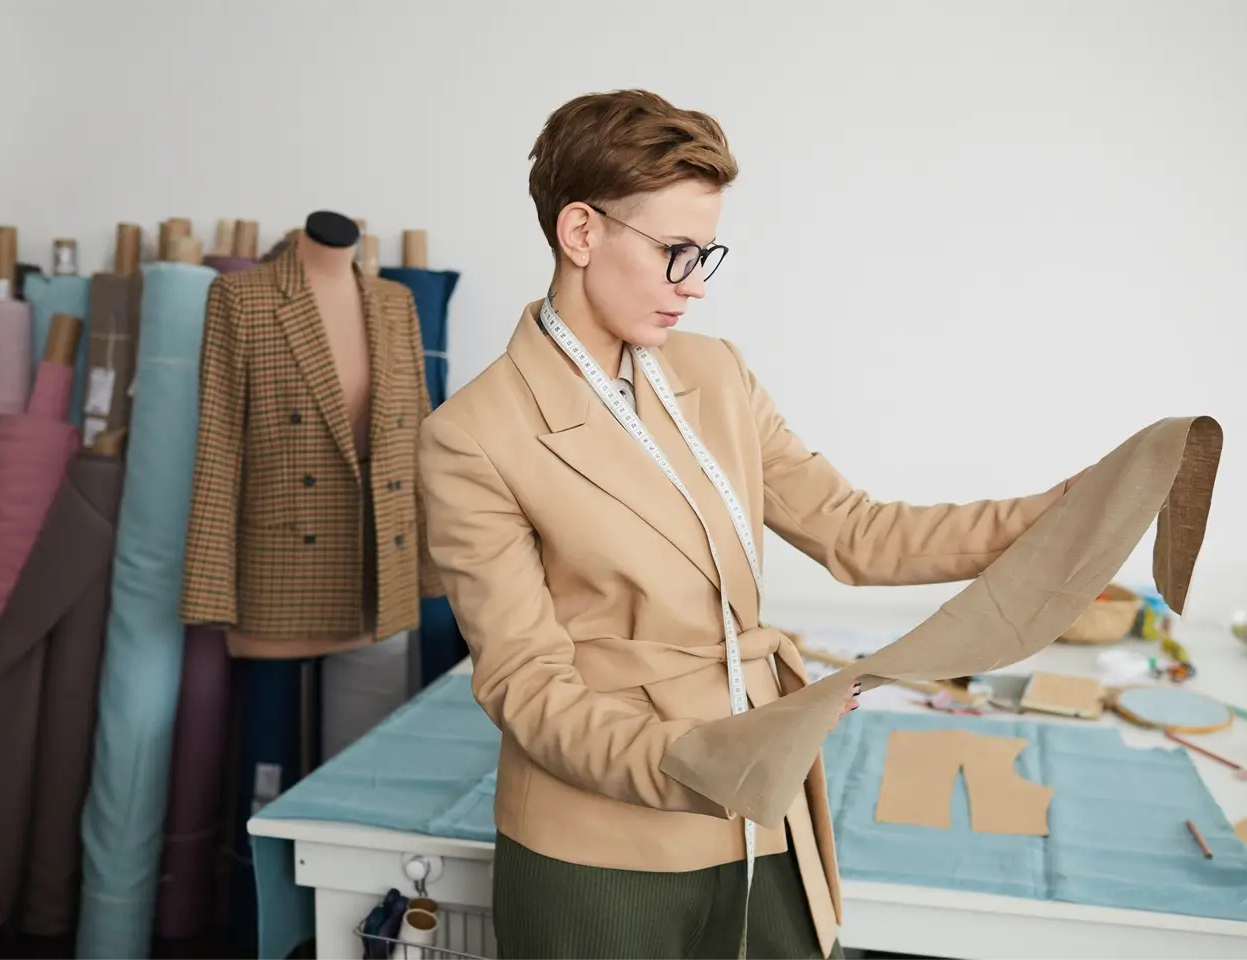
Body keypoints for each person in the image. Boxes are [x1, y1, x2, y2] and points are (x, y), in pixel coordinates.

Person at [417, 89, 1076, 960]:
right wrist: (704, 760)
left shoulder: (715, 372)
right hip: (602, 848)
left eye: (706, 254)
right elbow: (527, 687)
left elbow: (853, 529)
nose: (693, 284)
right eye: (673, 252)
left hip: (765, 818)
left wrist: (1069, 512)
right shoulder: (473, 435)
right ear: (581, 233)